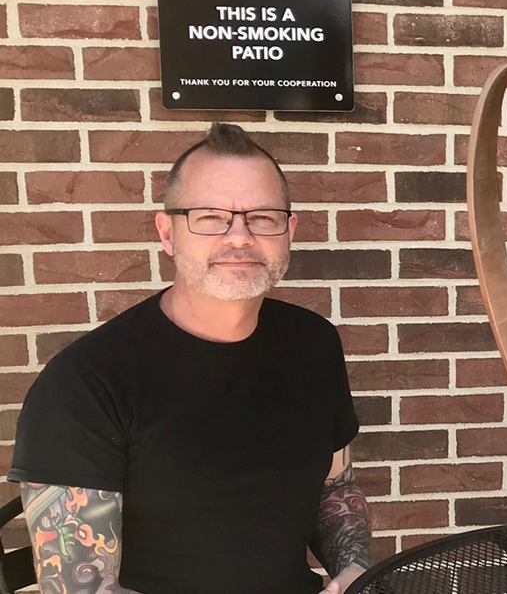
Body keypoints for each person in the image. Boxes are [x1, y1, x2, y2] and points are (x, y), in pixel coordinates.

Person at [9, 123, 370, 594]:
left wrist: (355, 572)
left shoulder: (313, 343)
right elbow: (81, 588)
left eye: (262, 216)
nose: (239, 236)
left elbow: (335, 486)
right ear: (168, 232)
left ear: (289, 231)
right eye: (210, 216)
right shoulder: (87, 383)